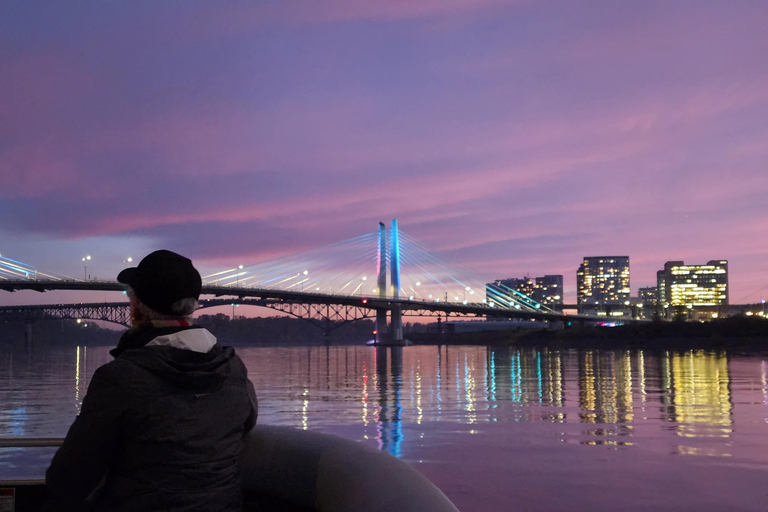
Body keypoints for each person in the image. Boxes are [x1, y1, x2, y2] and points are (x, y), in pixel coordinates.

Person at [46, 250, 258, 512]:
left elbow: (68, 479)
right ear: (192, 305)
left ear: (136, 307)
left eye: (130, 296)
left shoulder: (120, 378)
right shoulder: (234, 369)